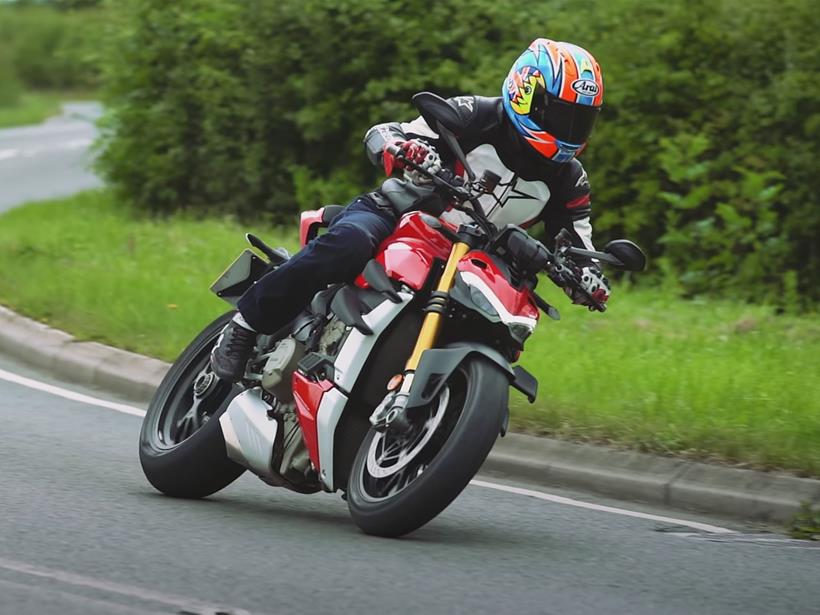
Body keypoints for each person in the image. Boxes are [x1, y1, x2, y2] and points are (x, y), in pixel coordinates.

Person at [211, 38, 611, 382]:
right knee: (349, 243)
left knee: (504, 326)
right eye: (560, 114)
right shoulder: (477, 115)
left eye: (580, 121)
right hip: (403, 217)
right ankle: (245, 325)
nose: (569, 130)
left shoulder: (569, 178)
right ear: (527, 92)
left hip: (477, 264)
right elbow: (386, 132)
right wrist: (404, 148)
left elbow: (577, 241)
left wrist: (588, 276)